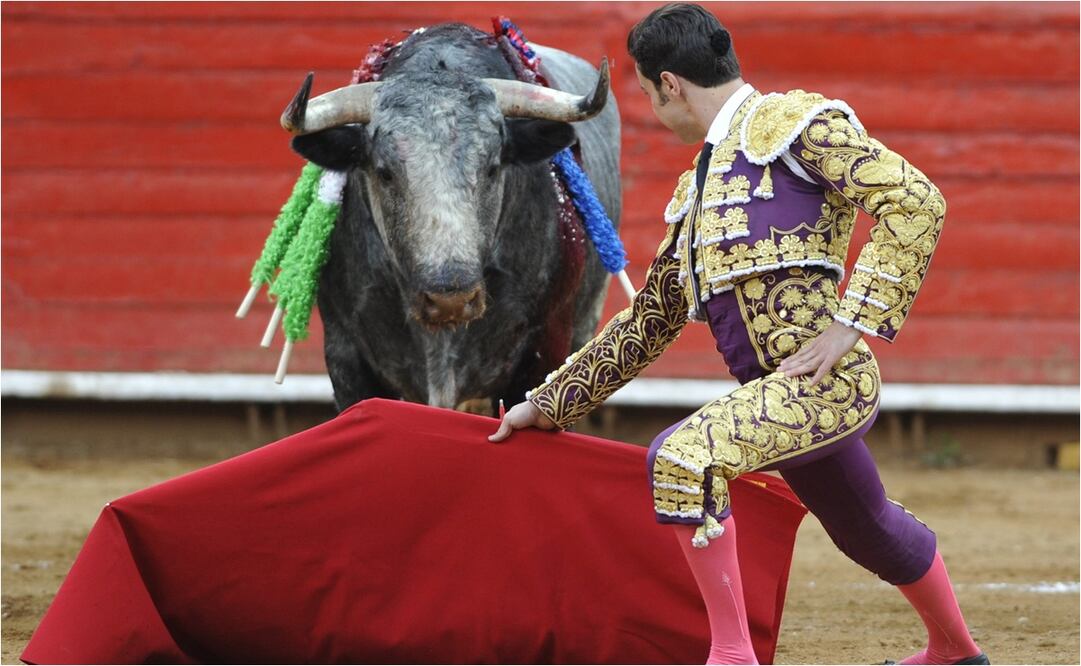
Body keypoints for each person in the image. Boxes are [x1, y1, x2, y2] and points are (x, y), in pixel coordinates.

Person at [489, 4, 987, 665]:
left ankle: (730, 655)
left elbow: (914, 199)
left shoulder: (796, 129)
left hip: (821, 384)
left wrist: (851, 322)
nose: (653, 109)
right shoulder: (699, 189)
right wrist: (548, 402)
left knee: (684, 458)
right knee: (867, 528)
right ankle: (955, 651)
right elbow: (650, 319)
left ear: (668, 84)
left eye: (646, 94)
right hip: (772, 396)